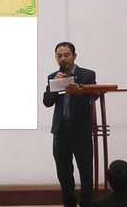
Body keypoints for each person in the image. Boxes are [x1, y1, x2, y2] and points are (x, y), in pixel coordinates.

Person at [43, 41, 97, 207]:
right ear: (55, 58)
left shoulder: (87, 74)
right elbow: (47, 102)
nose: (63, 59)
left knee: (85, 170)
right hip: (61, 131)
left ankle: (86, 202)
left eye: (66, 55)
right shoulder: (53, 76)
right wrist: (54, 85)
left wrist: (77, 89)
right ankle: (69, 203)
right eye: (59, 56)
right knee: (64, 171)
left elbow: (94, 96)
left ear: (74, 56)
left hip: (81, 131)